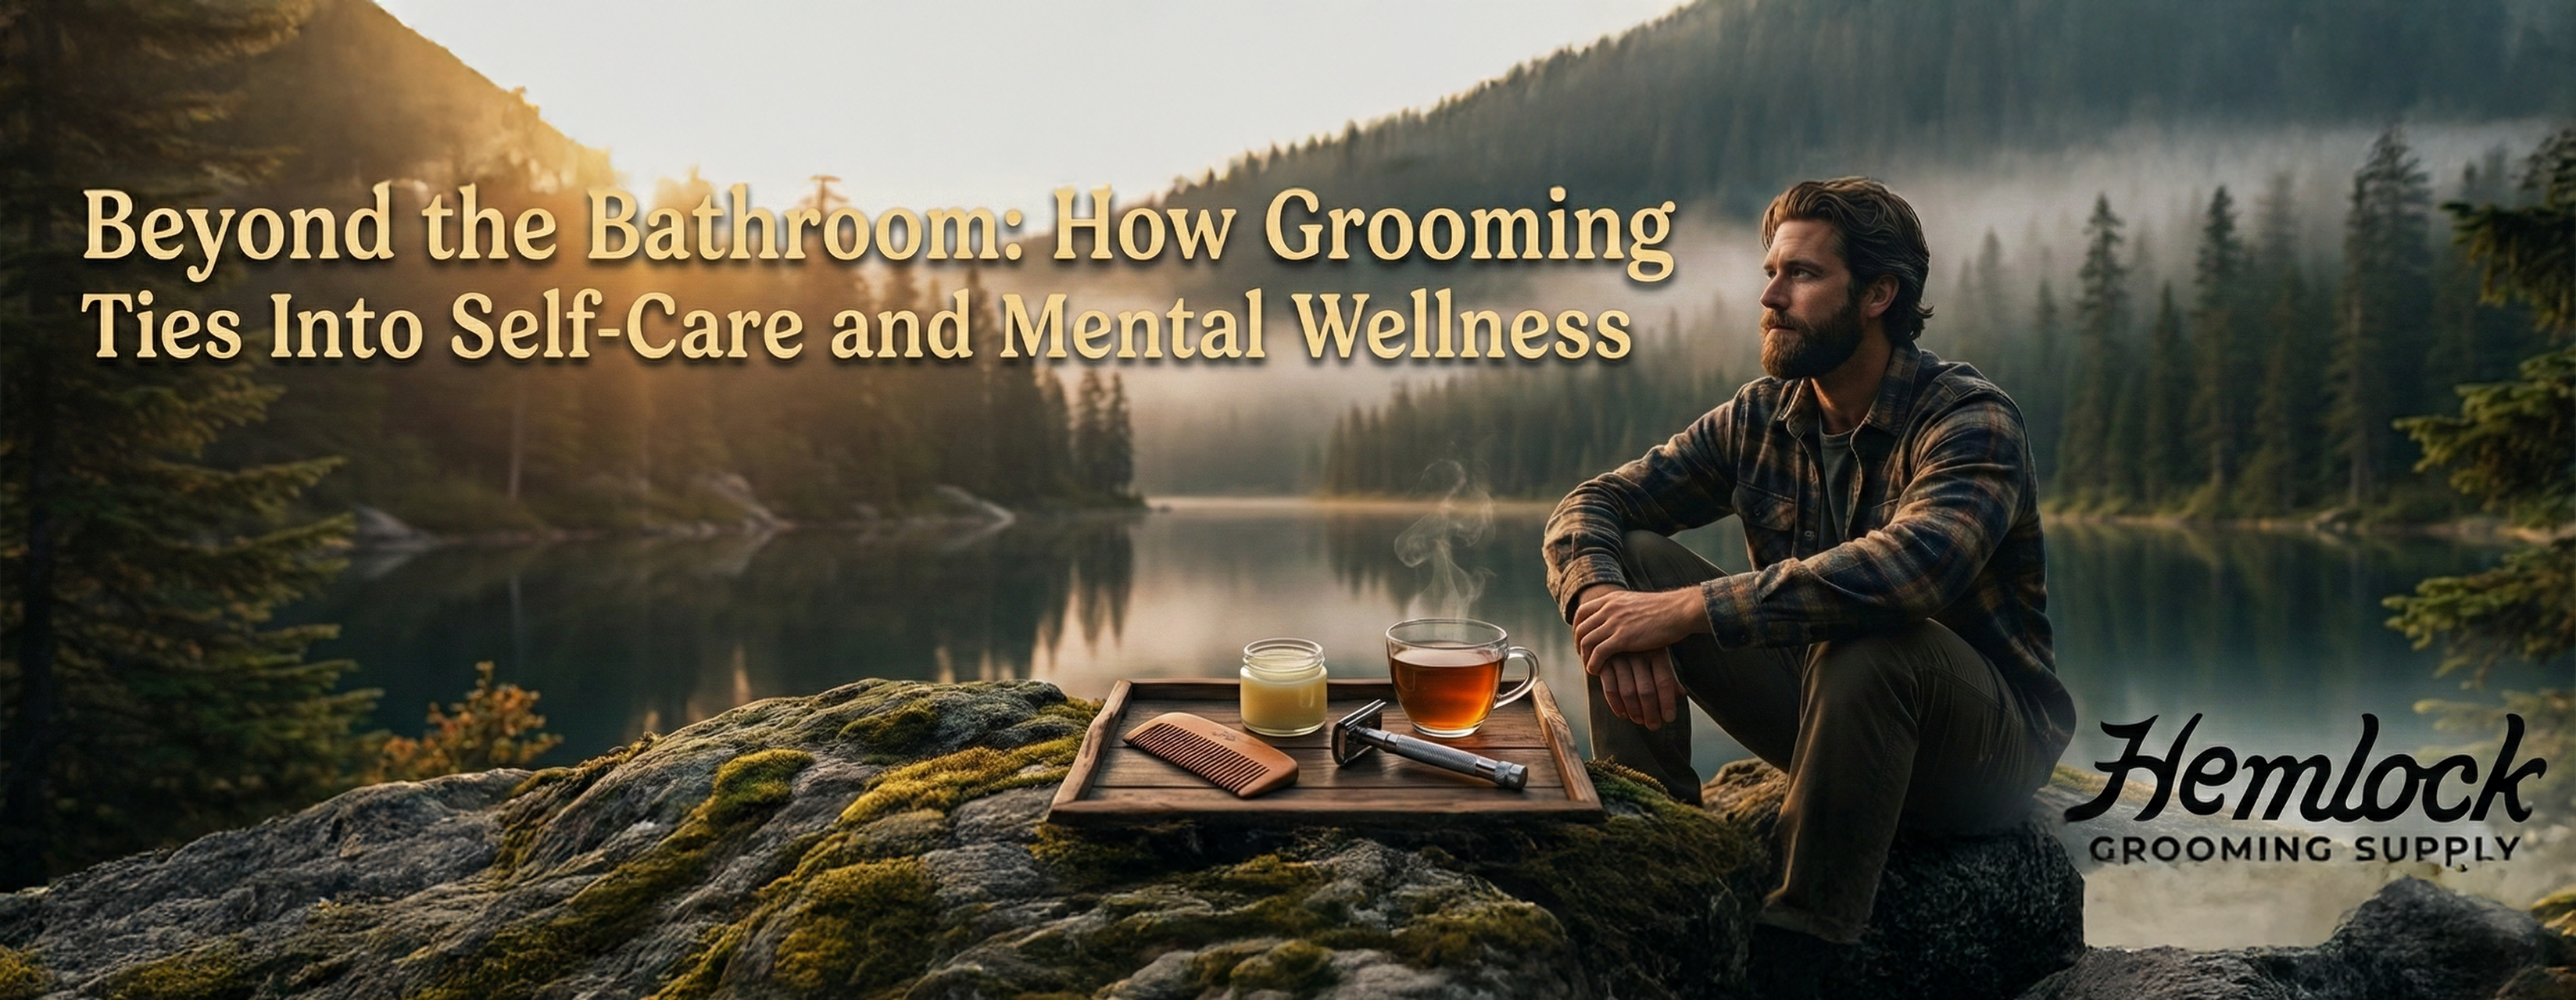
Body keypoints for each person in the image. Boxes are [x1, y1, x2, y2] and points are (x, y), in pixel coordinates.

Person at [1539, 177, 2077, 986]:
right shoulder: (1761, 416)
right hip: (1830, 718)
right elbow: (1592, 504)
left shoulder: (1968, 418)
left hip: (1978, 752)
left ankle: (1800, 953)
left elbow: (1909, 569)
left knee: (1864, 639)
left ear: (1877, 294)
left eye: (1801, 274)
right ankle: (1651, 853)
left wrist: (1685, 611)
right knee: (1631, 568)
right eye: (1769, 271)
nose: (1769, 295)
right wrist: (1600, 607)